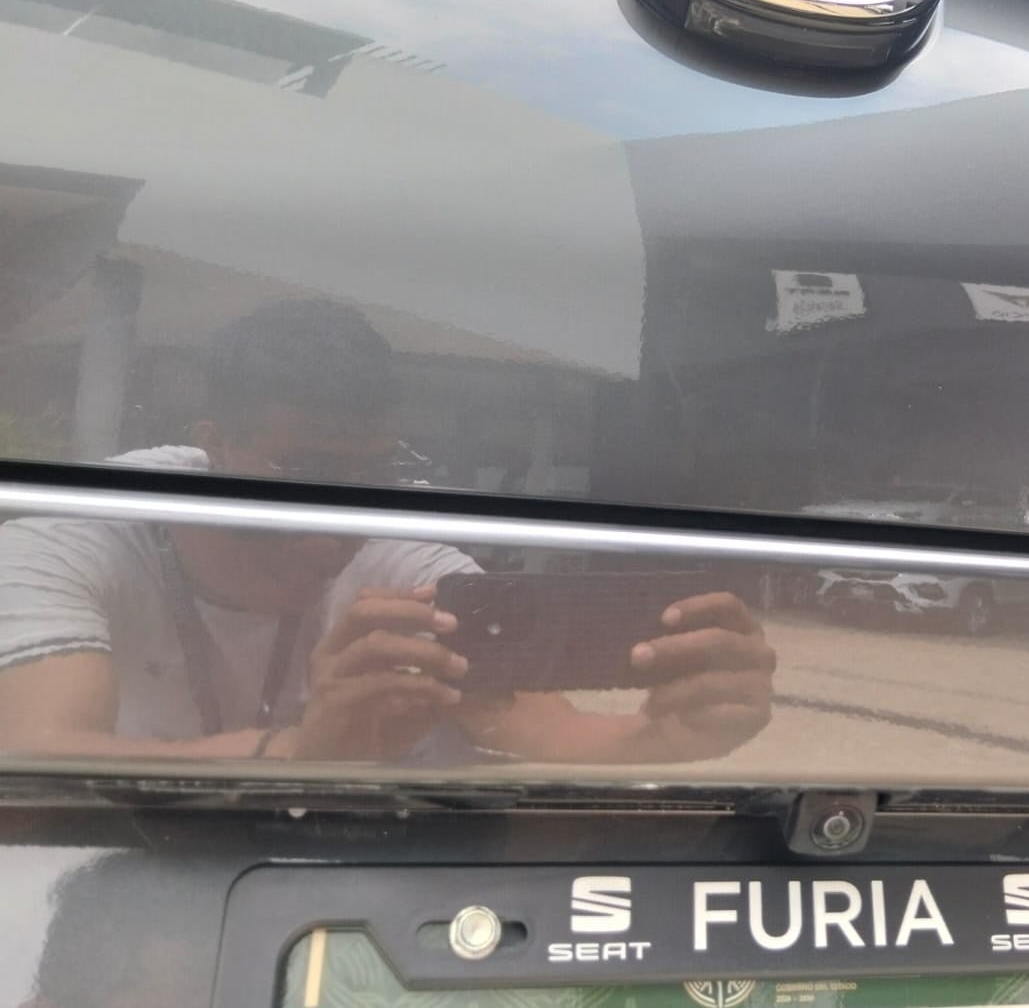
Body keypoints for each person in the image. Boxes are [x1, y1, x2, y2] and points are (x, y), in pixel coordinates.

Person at [0, 299, 775, 764]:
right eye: (303, 471)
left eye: (373, 472)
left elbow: (526, 716)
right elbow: (34, 752)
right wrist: (300, 753)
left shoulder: (400, 547)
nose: (338, 527)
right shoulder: (78, 534)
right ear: (215, 444)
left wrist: (661, 738)